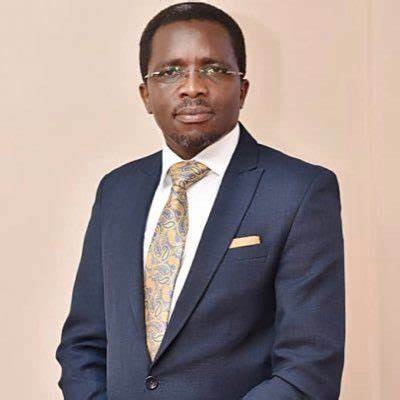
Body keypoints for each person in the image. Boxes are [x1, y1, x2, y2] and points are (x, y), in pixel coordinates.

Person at [55, 2, 345, 399]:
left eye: (213, 69)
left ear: (242, 89)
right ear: (146, 94)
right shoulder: (116, 191)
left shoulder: (299, 191)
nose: (192, 87)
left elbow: (309, 369)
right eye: (170, 71)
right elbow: (83, 345)